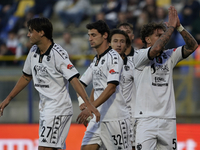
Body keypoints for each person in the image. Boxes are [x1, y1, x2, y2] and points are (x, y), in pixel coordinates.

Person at [0, 17, 100, 150]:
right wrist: (8, 99)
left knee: (45, 148)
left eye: (31, 31)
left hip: (58, 108)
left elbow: (74, 80)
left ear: (41, 32)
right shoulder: (33, 51)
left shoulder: (58, 54)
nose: (28, 34)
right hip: (45, 108)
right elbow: (25, 77)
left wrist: (88, 104)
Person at [133, 6, 198, 150]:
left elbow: (193, 46)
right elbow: (155, 49)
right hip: (145, 120)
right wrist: (171, 28)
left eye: (163, 34)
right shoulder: (138, 55)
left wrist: (179, 27)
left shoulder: (169, 55)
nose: (164, 37)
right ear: (147, 39)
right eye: (158, 35)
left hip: (168, 119)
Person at [77, 20, 132, 150]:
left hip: (115, 119)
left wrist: (89, 108)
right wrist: (82, 103)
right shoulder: (96, 59)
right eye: (89, 35)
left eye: (94, 35)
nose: (90, 39)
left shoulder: (114, 57)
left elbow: (111, 88)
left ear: (105, 35)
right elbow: (79, 84)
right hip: (97, 118)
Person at [109, 28, 135, 150]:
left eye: (122, 41)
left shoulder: (135, 63)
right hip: (106, 114)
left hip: (128, 116)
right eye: (115, 41)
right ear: (109, 43)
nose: (118, 45)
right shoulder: (102, 62)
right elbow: (95, 88)